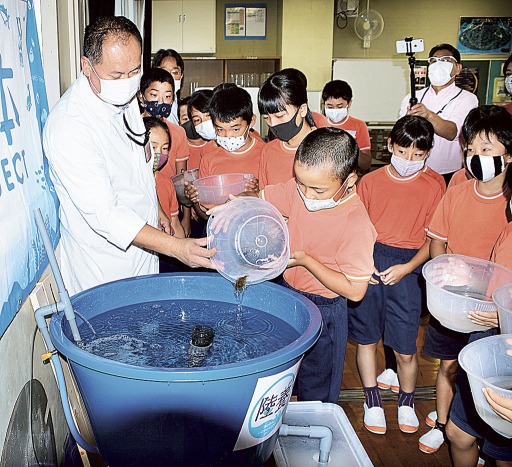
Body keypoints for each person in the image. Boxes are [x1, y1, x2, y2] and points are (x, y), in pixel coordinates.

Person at [43, 16, 214, 295]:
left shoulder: (124, 100)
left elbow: (141, 162)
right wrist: (176, 247)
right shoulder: (69, 125)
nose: (126, 82)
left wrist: (156, 210)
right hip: (105, 265)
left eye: (134, 72)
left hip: (145, 249)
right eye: (116, 75)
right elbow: (106, 214)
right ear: (87, 66)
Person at [419, 105, 512, 454]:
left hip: (493, 314)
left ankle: (489, 442)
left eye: (486, 149)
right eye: (470, 149)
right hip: (454, 302)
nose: (475, 157)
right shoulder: (457, 192)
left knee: (487, 380)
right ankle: (444, 423)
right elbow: (437, 241)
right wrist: (445, 270)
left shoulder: (509, 202)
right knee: (448, 367)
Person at [348, 116, 444, 435]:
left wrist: (406, 268)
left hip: (410, 264)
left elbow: (434, 239)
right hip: (372, 258)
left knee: (405, 346)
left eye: (418, 155)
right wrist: (365, 262)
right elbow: (357, 229)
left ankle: (406, 400)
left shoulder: (434, 184)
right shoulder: (371, 182)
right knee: (366, 338)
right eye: (403, 152)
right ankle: (371, 399)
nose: (409, 161)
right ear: (389, 145)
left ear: (428, 153)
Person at [400, 43, 478, 184]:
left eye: (446, 60)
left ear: (458, 68)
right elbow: (402, 135)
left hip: (449, 172)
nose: (438, 64)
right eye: (434, 61)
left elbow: (454, 132)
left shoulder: (467, 98)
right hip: (415, 168)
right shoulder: (413, 96)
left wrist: (428, 116)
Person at [186, 85, 263, 220]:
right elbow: (207, 216)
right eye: (220, 130)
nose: (228, 136)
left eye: (235, 129)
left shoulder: (266, 154)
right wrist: (195, 198)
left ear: (251, 122)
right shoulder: (209, 159)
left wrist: (257, 194)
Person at [138, 67, 192, 237]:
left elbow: (181, 178)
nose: (161, 101)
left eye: (167, 96)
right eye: (154, 95)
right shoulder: (131, 129)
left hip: (170, 204)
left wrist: (186, 218)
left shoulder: (178, 132)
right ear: (141, 96)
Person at [257, 69, 318, 188]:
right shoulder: (268, 151)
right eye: (266, 118)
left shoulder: (327, 148)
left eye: (280, 116)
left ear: (302, 110)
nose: (273, 124)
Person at [143, 116, 184, 238]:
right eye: (153, 147)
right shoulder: (128, 182)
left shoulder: (166, 181)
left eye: (165, 148)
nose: (159, 153)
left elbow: (175, 224)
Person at [322, 79, 372, 171]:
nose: (335, 111)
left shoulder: (359, 125)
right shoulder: (319, 123)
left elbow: (366, 164)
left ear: (349, 104)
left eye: (339, 106)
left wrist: (351, 146)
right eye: (330, 107)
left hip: (348, 179)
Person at [178, 94, 216, 171]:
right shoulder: (179, 146)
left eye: (207, 116)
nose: (203, 122)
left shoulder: (225, 141)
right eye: (197, 120)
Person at [152, 48, 184, 125]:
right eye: (164, 72)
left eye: (174, 72)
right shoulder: (147, 107)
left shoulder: (185, 107)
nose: (169, 77)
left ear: (181, 75)